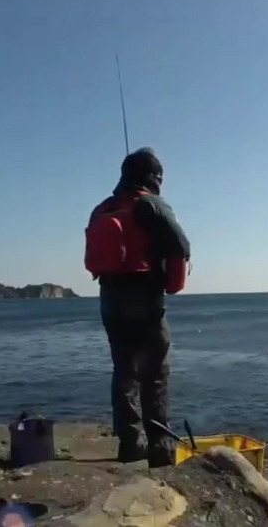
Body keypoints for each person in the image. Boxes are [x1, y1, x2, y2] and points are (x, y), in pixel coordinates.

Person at [85, 147, 191, 467]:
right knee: (155, 375)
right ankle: (161, 449)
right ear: (153, 177)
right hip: (145, 298)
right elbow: (182, 245)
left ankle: (130, 444)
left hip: (110, 299)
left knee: (124, 372)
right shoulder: (152, 204)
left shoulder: (103, 208)